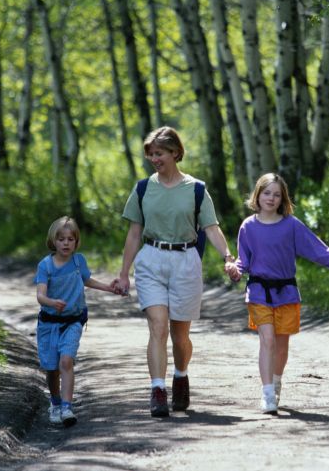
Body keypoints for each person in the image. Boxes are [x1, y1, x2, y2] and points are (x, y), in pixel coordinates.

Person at [113, 126, 240, 418]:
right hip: (152, 260)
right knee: (157, 326)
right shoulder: (143, 188)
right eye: (150, 154)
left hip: (185, 261)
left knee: (180, 335)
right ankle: (157, 389)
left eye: (159, 153)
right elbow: (134, 233)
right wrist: (123, 272)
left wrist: (228, 258)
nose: (154, 159)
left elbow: (211, 228)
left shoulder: (196, 189)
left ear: (175, 153)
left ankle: (181, 375)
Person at [234, 173, 329, 414]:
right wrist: (234, 269)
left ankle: (275, 383)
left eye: (276, 194)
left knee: (282, 346)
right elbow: (243, 261)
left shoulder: (291, 225)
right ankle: (266, 394)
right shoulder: (248, 227)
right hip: (258, 291)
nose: (271, 198)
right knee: (268, 340)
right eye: (267, 193)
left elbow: (317, 249)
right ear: (258, 195)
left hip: (286, 292)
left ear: (283, 199)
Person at [34, 216, 117, 427]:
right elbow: (40, 296)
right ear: (53, 241)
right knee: (52, 368)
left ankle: (67, 407)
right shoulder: (46, 266)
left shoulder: (78, 261)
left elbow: (86, 279)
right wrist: (52, 302)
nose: (66, 243)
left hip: (74, 321)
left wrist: (108, 287)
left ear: (76, 242)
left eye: (70, 239)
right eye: (61, 239)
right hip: (49, 323)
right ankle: (54, 402)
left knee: (66, 361)